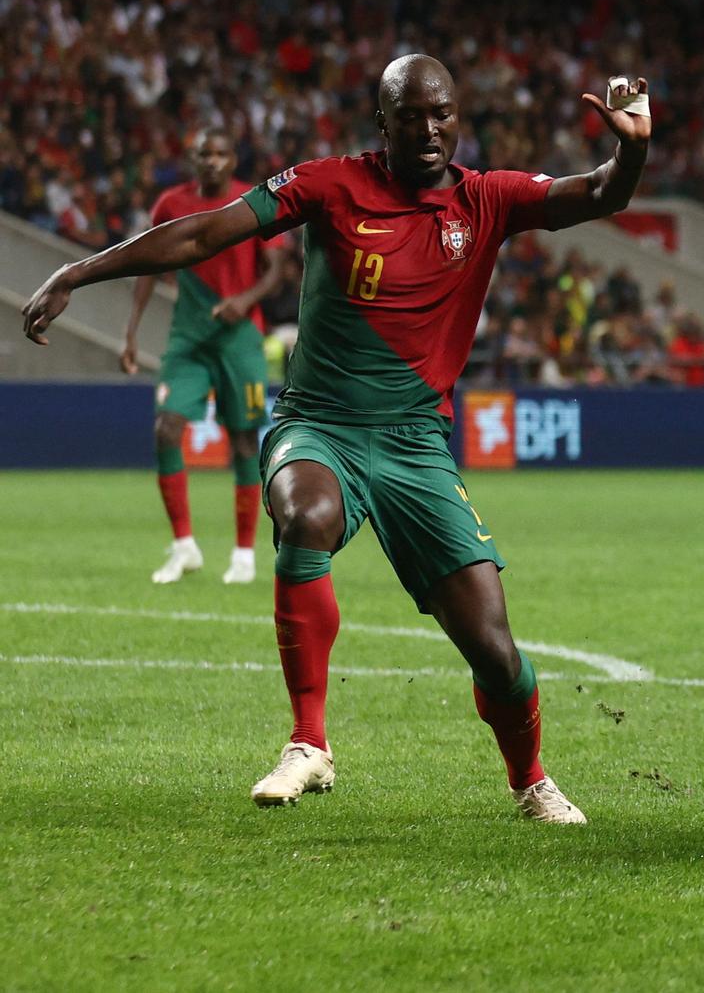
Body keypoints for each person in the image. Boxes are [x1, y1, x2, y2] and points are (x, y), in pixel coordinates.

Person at [23, 56, 653, 823]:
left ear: (457, 118)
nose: (428, 130)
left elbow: (598, 193)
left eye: (442, 114)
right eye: (411, 115)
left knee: (496, 652)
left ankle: (531, 781)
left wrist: (632, 150)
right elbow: (203, 236)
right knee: (308, 516)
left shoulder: (487, 200)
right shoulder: (328, 185)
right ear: (381, 122)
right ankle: (308, 742)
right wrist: (77, 272)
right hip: (317, 424)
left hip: (417, 445)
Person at [121, 127, 287, 584]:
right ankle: (184, 548)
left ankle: (243, 555)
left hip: (240, 340)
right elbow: (145, 264)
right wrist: (131, 333)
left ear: (233, 159)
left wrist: (246, 299)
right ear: (193, 160)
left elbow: (278, 267)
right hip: (188, 340)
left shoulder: (252, 202)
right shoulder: (171, 205)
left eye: (220, 153)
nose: (212, 161)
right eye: (204, 154)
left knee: (241, 443)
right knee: (166, 428)